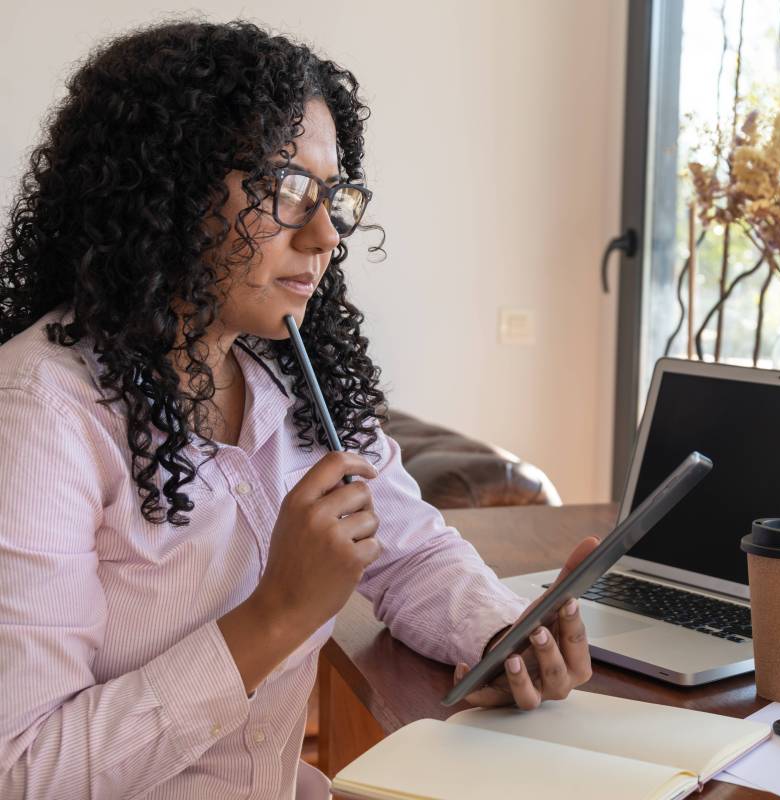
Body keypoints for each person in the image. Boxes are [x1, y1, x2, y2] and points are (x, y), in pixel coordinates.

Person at [0, 19, 596, 799]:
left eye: (333, 196)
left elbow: (413, 553)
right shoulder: (41, 413)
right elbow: (23, 771)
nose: (323, 235)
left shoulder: (289, 377)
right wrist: (275, 614)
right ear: (169, 189)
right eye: (284, 190)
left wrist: (504, 633)